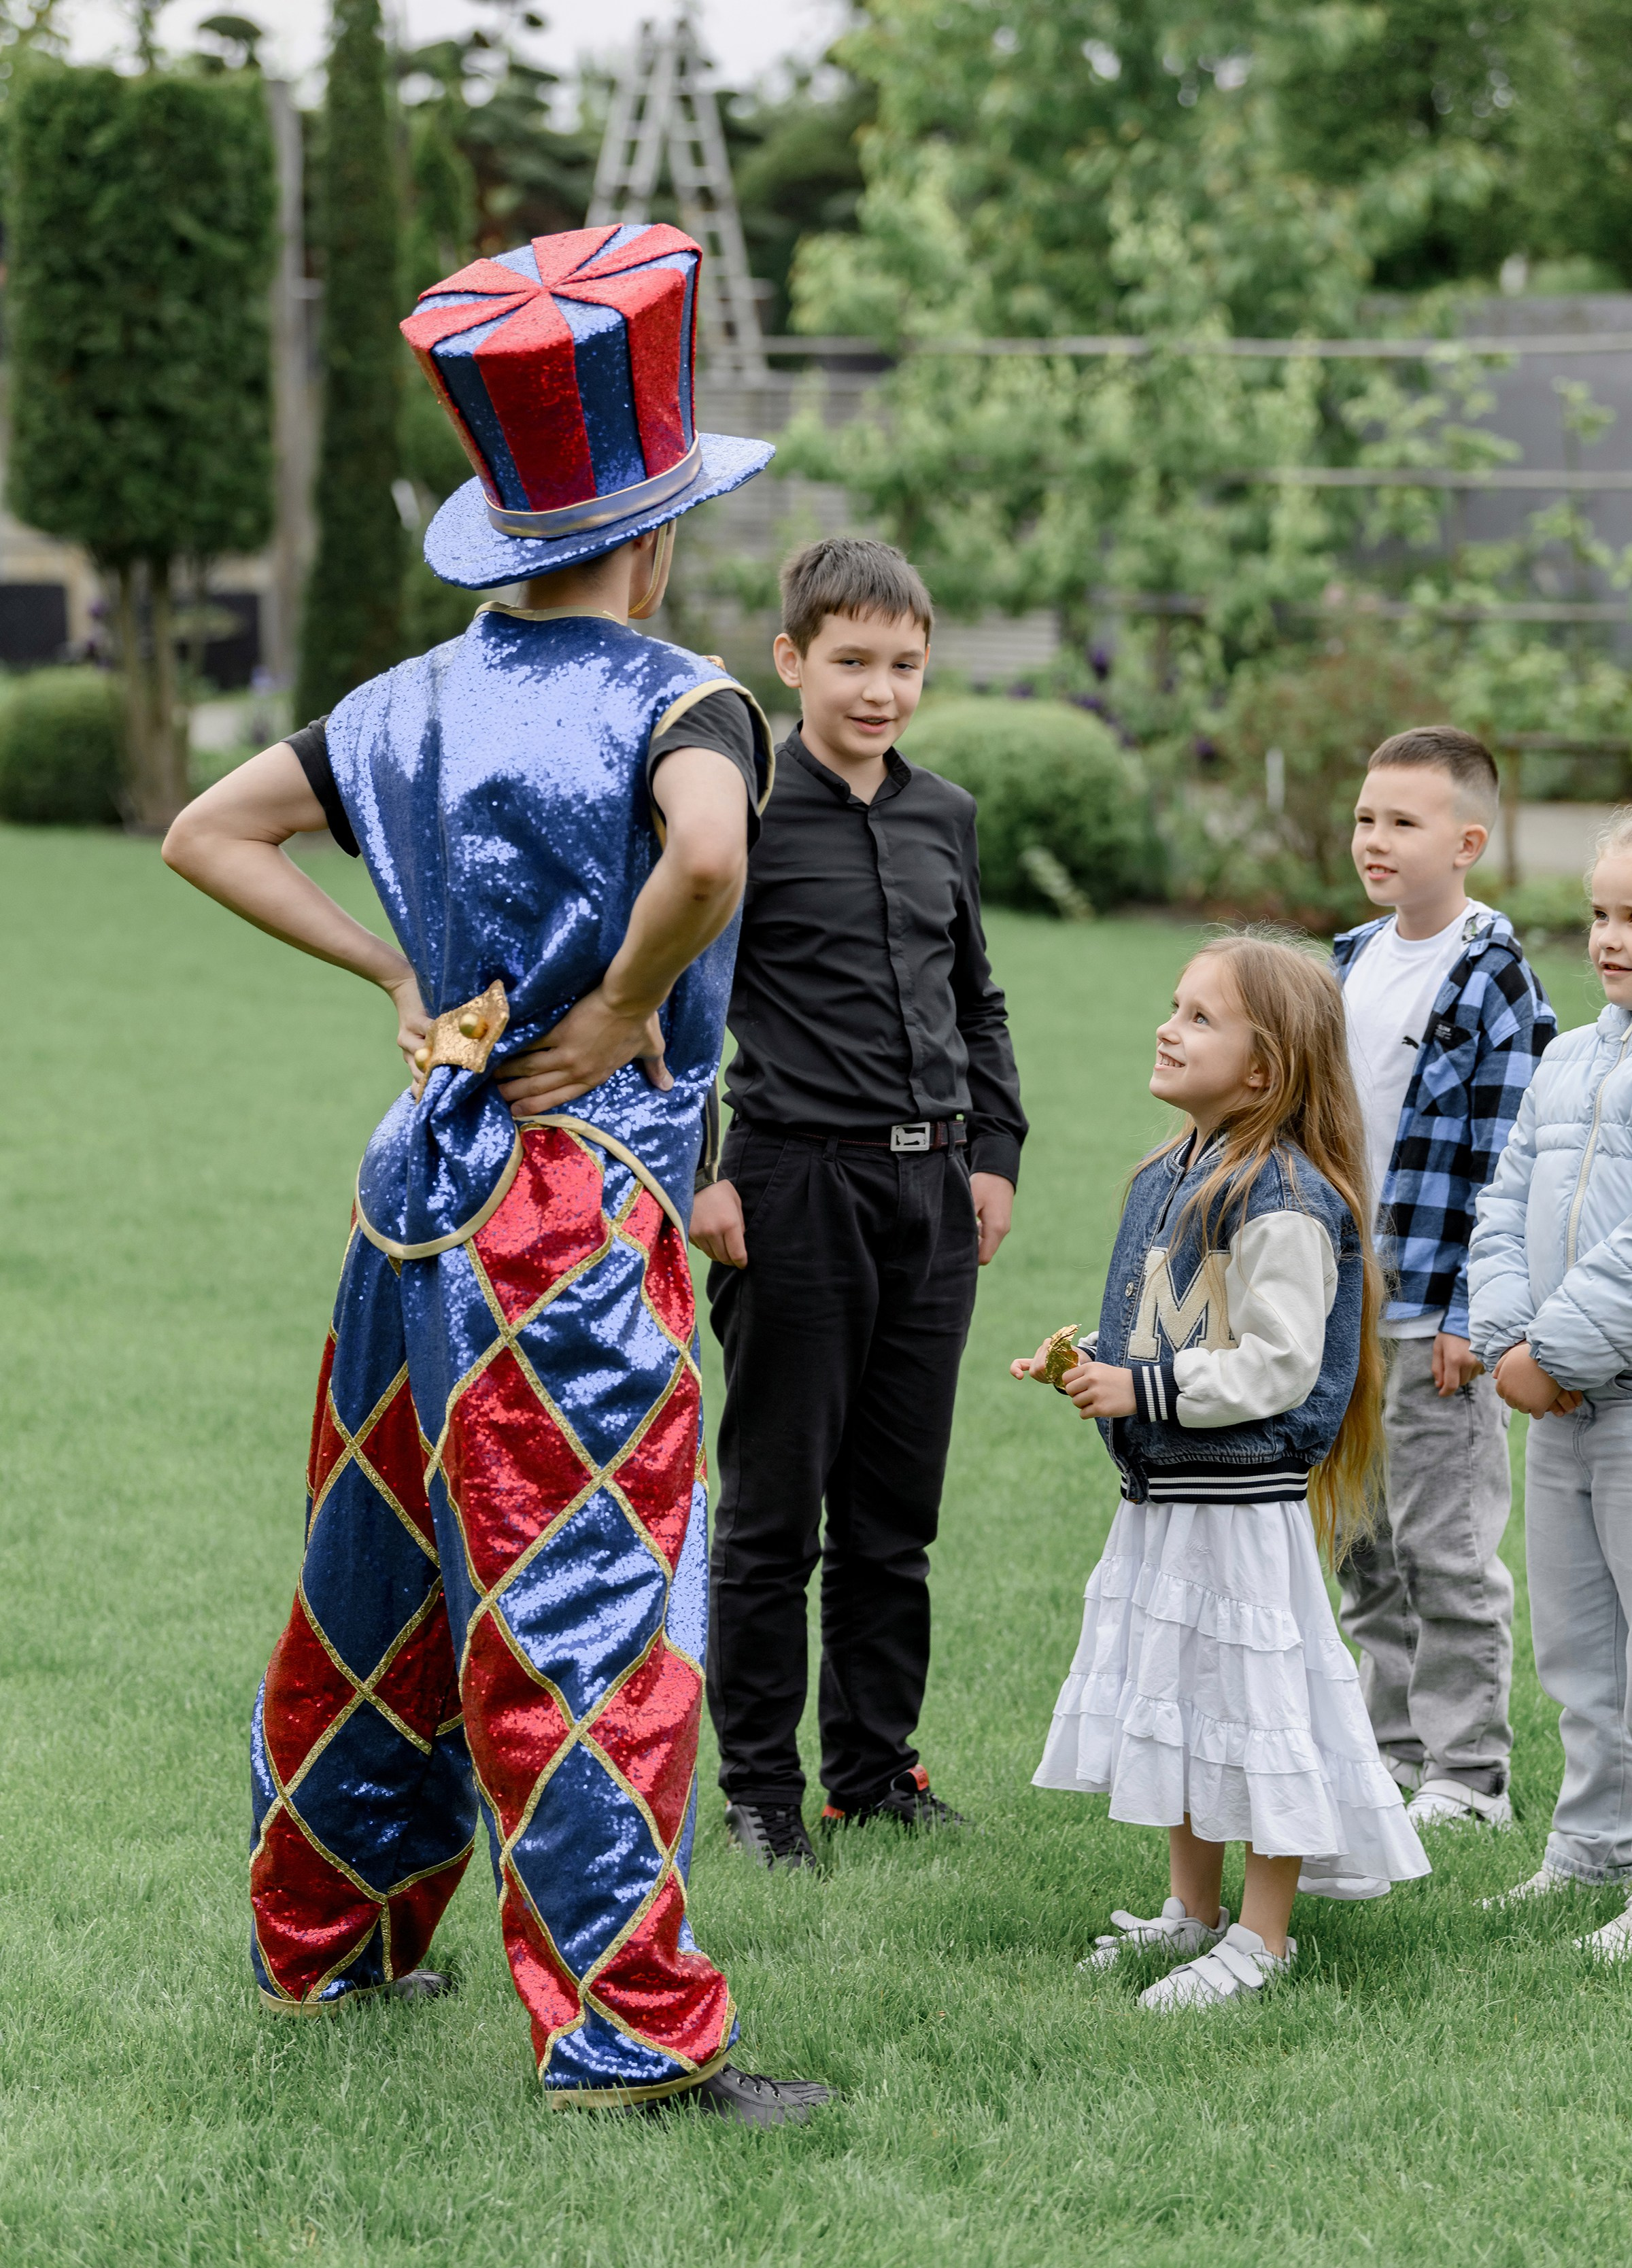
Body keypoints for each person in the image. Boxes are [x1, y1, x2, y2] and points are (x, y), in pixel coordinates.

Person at [163, 222, 830, 2123]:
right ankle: (623, 2033)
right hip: (570, 1204)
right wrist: (625, 1006)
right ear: (658, 524)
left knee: (373, 1572)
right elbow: (706, 852)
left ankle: (338, 1942)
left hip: (412, 1191)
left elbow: (206, 832)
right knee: (590, 1602)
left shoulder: (401, 704)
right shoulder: (685, 697)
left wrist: (395, 968)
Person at [687, 538, 1027, 1868]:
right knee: (776, 1511)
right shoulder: (742, 813)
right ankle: (763, 1791)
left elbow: (977, 999)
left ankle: (873, 1775)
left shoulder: (947, 816)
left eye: (904, 665)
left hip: (932, 1192)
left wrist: (991, 1152)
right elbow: (681, 1002)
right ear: (793, 661)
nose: (880, 690)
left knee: (896, 1518)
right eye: (852, 663)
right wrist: (706, 1172)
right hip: (792, 1190)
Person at [1019, 935, 1431, 2010]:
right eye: (1174, 1005)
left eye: (1202, 1018)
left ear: (1265, 1069)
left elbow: (1282, 1366)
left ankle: (1264, 1936)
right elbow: (1165, 1325)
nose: (1169, 1026)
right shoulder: (1172, 1171)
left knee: (1252, 1704)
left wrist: (1145, 1392)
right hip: (1165, 1497)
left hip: (1241, 1502)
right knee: (1177, 1695)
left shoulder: (1285, 1196)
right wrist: (1090, 1370)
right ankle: (1189, 1911)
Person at [1333, 727, 1554, 1842]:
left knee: (1445, 1547)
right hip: (1342, 1317)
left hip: (1435, 1320)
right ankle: (1391, 1749)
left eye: (1403, 823)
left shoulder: (1494, 978)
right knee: (1360, 1543)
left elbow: (1509, 1164)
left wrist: (1478, 1313)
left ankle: (1469, 1773)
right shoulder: (1348, 961)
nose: (1375, 839)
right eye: (1368, 817)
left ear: (1467, 842)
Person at [1470, 813, 1632, 1949]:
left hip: (1609, 1398)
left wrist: (1556, 1356)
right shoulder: (1568, 1057)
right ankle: (1591, 1849)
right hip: (1556, 1406)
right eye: (1603, 914)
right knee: (1577, 1649)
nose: (1612, 939)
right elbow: (1500, 1207)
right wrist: (1508, 1343)